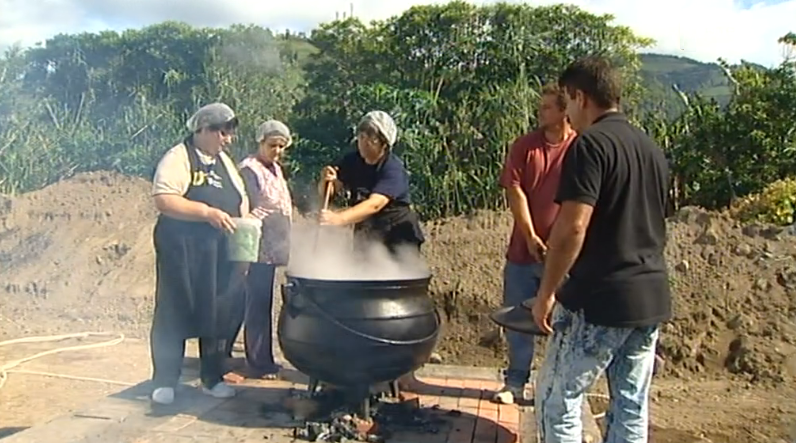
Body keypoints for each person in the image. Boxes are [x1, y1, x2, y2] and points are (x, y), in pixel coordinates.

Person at [531, 57, 671, 443]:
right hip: (649, 298)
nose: (569, 114)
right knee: (630, 404)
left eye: (568, 101)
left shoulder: (589, 145)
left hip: (601, 298)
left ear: (580, 97)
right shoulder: (650, 148)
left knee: (557, 399)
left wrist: (547, 293)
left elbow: (572, 227)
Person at [148, 102, 250, 405]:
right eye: (223, 132)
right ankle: (166, 380)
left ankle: (212, 377)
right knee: (174, 310)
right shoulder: (178, 157)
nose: (228, 139)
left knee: (218, 312)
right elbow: (164, 199)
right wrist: (206, 212)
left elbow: (240, 201)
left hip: (219, 252)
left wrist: (243, 249)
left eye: (230, 133)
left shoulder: (226, 163)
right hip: (183, 249)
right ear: (203, 129)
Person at [494, 84, 577, 405]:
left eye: (547, 107)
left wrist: (558, 243)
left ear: (564, 111)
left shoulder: (579, 148)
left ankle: (558, 388)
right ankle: (515, 382)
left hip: (564, 256)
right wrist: (530, 236)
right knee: (518, 321)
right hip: (522, 251)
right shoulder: (524, 147)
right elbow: (516, 192)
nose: (540, 112)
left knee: (565, 324)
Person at [231, 120, 294, 380]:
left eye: (281, 146)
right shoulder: (249, 170)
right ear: (260, 143)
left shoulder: (276, 169)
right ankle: (257, 362)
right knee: (255, 303)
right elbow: (253, 206)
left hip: (272, 243)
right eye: (272, 145)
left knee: (263, 302)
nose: (277, 150)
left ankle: (264, 358)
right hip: (256, 242)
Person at [318, 110, 424, 256]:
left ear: (383, 144)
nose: (364, 142)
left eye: (371, 138)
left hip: (397, 237)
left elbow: (375, 204)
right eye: (361, 137)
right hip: (367, 234)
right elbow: (329, 193)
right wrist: (327, 180)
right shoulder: (351, 161)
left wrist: (340, 218)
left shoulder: (392, 168)